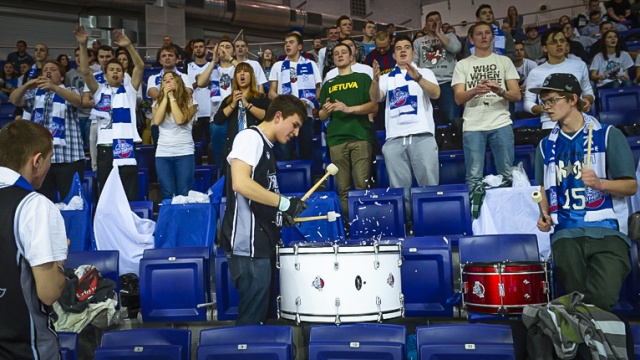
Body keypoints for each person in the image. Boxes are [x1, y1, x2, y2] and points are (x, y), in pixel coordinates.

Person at [532, 73, 637, 311]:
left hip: (607, 231)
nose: (546, 107)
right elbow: (543, 188)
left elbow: (631, 186)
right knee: (575, 305)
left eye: (552, 100)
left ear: (572, 99)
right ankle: (587, 348)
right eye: (544, 102)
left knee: (601, 300)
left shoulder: (607, 134)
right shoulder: (545, 145)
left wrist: (601, 184)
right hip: (566, 234)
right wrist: (544, 213)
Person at [220, 94, 308, 325]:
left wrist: (280, 216)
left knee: (259, 321)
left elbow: (259, 198)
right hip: (247, 248)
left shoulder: (266, 147)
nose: (296, 133)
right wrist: (284, 203)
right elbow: (240, 183)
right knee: (251, 323)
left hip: (260, 246)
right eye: (295, 125)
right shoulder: (250, 137)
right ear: (279, 116)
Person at [0, 120, 68, 359]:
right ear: (37, 161)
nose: (50, 165)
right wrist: (59, 262)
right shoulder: (35, 207)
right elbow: (48, 292)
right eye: (50, 158)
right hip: (24, 347)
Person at [370, 35, 440, 224]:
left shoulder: (425, 72)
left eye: (406, 47)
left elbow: (436, 93)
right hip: (394, 139)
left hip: (422, 136)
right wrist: (375, 81)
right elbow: (376, 98)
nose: (403, 50)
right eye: (399, 48)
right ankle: (407, 227)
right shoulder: (386, 77)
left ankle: (431, 225)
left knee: (429, 186)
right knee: (400, 191)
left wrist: (418, 78)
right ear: (394, 55)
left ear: (413, 52)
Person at [75, 25, 144, 201]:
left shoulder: (129, 91)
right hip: (105, 149)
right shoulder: (99, 91)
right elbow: (85, 71)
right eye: (111, 70)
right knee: (107, 197)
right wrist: (83, 45)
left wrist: (128, 46)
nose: (115, 72)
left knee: (129, 196)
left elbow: (140, 66)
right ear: (105, 75)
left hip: (126, 148)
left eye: (118, 70)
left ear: (123, 75)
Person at [452, 21, 521, 186]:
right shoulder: (462, 64)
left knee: (507, 175)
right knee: (473, 177)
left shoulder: (504, 61)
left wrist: (500, 92)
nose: (483, 36)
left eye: (487, 33)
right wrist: (475, 90)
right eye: (478, 33)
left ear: (492, 37)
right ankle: (477, 212)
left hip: (501, 122)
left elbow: (516, 95)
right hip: (473, 125)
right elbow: (458, 98)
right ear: (471, 39)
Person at [9, 60, 85, 202]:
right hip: (42, 160)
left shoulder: (70, 90)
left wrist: (54, 88)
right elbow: (14, 100)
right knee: (42, 203)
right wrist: (27, 85)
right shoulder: (34, 94)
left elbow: (77, 101)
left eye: (53, 69)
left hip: (68, 158)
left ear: (62, 77)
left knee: (73, 203)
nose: (48, 72)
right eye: (45, 70)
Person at [319, 42, 377, 217]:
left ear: (352, 56)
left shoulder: (363, 78)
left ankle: (364, 224)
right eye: (336, 53)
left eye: (343, 52)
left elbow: (374, 107)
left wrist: (348, 109)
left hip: (360, 136)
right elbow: (321, 116)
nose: (339, 55)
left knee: (362, 185)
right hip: (336, 139)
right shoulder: (328, 84)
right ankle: (348, 226)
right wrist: (325, 111)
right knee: (342, 188)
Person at [214, 63, 270, 194]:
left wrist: (247, 105)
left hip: (255, 145)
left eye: (245, 72)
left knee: (255, 184)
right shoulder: (229, 99)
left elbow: (266, 117)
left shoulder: (260, 97)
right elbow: (218, 120)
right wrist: (233, 104)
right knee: (235, 184)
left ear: (251, 76)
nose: (242, 74)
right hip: (234, 146)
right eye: (239, 72)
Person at [524, 28, 595, 130]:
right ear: (545, 48)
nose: (559, 44)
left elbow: (588, 90)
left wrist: (588, 100)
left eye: (562, 41)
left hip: (577, 119)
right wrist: (543, 108)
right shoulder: (536, 72)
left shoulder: (580, 65)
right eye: (553, 42)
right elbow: (528, 102)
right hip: (550, 122)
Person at [269, 32, 322, 161]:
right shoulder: (278, 65)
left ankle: (306, 181)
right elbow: (271, 92)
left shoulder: (311, 64)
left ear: (299, 47)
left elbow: (318, 90)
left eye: (291, 42)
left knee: (306, 154)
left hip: (306, 114)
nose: (287, 45)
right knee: (285, 155)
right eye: (286, 43)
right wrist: (287, 104)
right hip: (285, 116)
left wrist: (307, 101)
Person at [152, 72, 198, 199]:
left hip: (184, 152)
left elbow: (179, 120)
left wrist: (172, 97)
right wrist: (165, 99)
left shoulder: (190, 101)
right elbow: (156, 121)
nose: (167, 81)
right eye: (164, 80)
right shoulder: (157, 103)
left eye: (171, 79)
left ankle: (183, 219)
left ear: (178, 83)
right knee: (168, 193)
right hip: (163, 153)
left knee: (184, 192)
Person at [413, 11, 461, 125]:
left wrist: (438, 33)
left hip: (447, 81)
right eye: (431, 20)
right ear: (425, 25)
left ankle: (452, 141)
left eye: (437, 20)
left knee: (451, 119)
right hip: (427, 83)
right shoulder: (418, 41)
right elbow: (413, 62)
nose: (434, 22)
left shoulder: (450, 36)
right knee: (428, 119)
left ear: (441, 22)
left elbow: (455, 49)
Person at [197, 37, 236, 173]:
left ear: (234, 52)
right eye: (221, 47)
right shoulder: (213, 70)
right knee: (220, 157)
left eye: (227, 47)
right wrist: (213, 61)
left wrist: (231, 59)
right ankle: (223, 179)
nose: (224, 49)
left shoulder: (239, 68)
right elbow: (201, 82)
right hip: (217, 118)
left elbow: (248, 71)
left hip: (237, 117)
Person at [187, 39, 213, 154]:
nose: (198, 49)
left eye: (201, 46)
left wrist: (207, 82)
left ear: (206, 49)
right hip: (195, 112)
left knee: (211, 146)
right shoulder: (187, 67)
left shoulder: (212, 66)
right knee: (195, 146)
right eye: (196, 47)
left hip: (211, 111)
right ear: (193, 49)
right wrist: (198, 83)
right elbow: (185, 89)